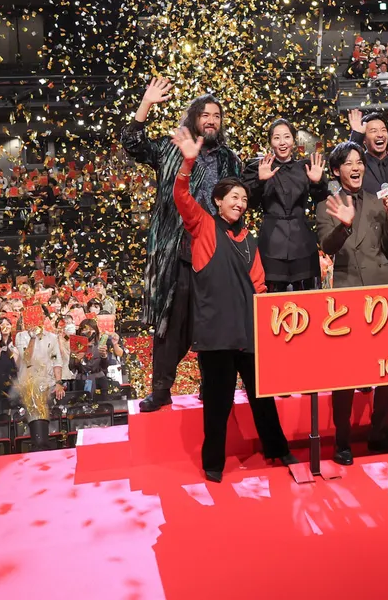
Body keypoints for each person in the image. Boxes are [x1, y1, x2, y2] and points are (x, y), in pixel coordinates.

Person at [170, 126, 295, 482]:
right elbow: (181, 196)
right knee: (218, 405)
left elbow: (259, 286)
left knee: (262, 398)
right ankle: (213, 464)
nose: (240, 203)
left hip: (249, 335)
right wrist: (188, 160)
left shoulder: (250, 239)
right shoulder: (205, 228)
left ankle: (278, 449)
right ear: (218, 201)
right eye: (233, 197)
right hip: (217, 337)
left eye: (243, 198)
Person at [121, 80, 242, 412]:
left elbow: (238, 201)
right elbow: (132, 143)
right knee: (170, 320)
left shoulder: (231, 160)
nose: (211, 120)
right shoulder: (170, 148)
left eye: (217, 115)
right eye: (205, 114)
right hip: (176, 248)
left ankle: (210, 385)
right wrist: (145, 102)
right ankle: (161, 389)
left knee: (214, 322)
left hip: (215, 251)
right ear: (193, 118)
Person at [316, 141, 388, 465]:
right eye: (349, 163)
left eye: (359, 162)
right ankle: (342, 441)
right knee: (347, 373)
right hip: (348, 291)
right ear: (337, 170)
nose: (356, 168)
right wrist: (345, 223)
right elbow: (327, 246)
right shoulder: (328, 204)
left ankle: (381, 433)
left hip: (383, 290)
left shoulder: (378, 202)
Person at [243, 118, 328, 292]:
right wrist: (260, 181)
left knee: (306, 301)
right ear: (270, 142)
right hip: (271, 242)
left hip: (302, 242)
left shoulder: (306, 167)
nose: (282, 142)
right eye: (276, 138)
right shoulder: (259, 167)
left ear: (293, 141)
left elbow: (321, 199)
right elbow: (250, 204)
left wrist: (317, 183)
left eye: (287, 137)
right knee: (272, 302)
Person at [18, 314, 67, 451]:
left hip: (48, 386)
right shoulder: (21, 336)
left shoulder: (52, 337)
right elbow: (26, 359)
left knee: (44, 420)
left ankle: (43, 447)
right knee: (37, 420)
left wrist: (58, 383)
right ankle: (40, 448)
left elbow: (57, 362)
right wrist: (33, 337)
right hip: (30, 388)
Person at [347, 109, 388, 202]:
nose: (380, 135)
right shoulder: (358, 169)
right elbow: (345, 163)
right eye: (374, 131)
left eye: (383, 130)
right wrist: (356, 136)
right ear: (364, 139)